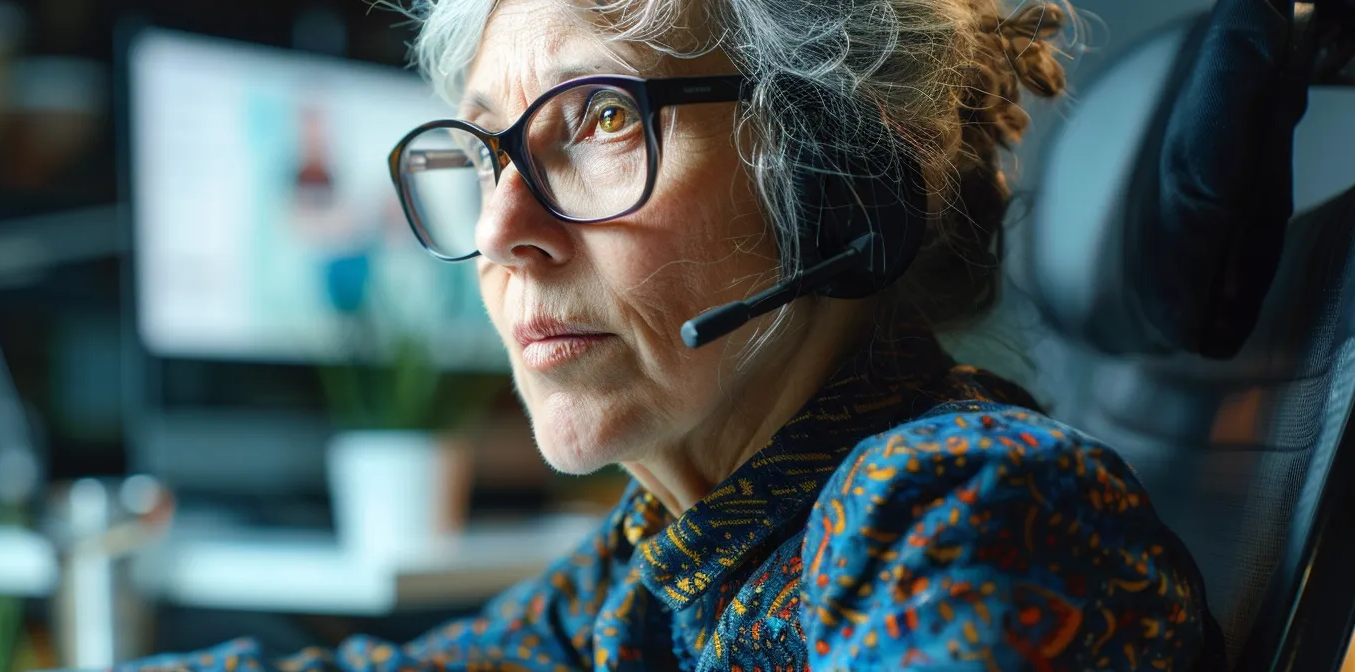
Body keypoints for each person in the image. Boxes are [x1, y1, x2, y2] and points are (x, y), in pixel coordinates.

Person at [121, 0, 1226, 669]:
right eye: (483, 152)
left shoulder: (961, 514)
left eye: (600, 118)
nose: (503, 231)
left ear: (835, 173)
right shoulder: (669, 550)